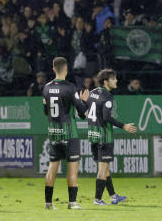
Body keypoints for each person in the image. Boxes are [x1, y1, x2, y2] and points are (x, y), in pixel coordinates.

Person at [43, 56, 90, 210]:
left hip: (53, 133)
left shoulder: (46, 88)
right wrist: (84, 101)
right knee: (72, 167)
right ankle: (72, 202)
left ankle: (48, 203)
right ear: (67, 70)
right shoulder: (70, 88)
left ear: (53, 69)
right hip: (69, 133)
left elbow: (46, 111)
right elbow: (83, 113)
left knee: (52, 167)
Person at [87, 68, 137, 205]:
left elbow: (84, 113)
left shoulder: (91, 93)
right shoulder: (107, 96)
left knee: (105, 169)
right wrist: (124, 126)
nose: (116, 81)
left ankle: (114, 196)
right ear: (105, 81)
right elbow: (107, 117)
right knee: (102, 171)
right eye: (113, 78)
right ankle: (97, 199)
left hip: (93, 135)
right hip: (104, 137)